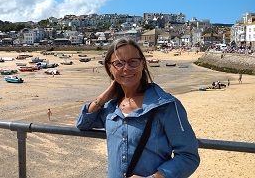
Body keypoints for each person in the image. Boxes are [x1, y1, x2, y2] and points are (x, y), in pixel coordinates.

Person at [76, 38, 200, 178]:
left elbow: (188, 156)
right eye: (119, 63)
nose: (126, 68)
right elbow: (83, 123)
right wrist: (103, 97)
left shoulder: (166, 105)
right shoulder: (111, 107)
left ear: (142, 64)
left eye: (133, 62)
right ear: (109, 68)